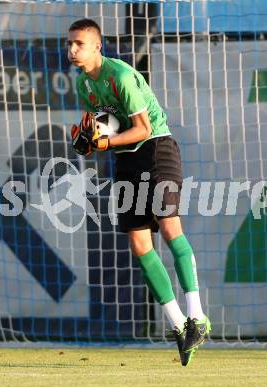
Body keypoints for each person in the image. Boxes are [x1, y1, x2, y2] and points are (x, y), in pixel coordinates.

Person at [67, 18, 211, 366]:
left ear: (97, 46)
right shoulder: (84, 85)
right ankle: (178, 325)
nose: (72, 50)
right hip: (126, 159)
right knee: (138, 242)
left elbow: (142, 128)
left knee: (167, 224)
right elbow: (99, 128)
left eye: (79, 44)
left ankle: (198, 316)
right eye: (69, 43)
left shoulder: (120, 76)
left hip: (156, 147)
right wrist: (88, 142)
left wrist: (105, 142)